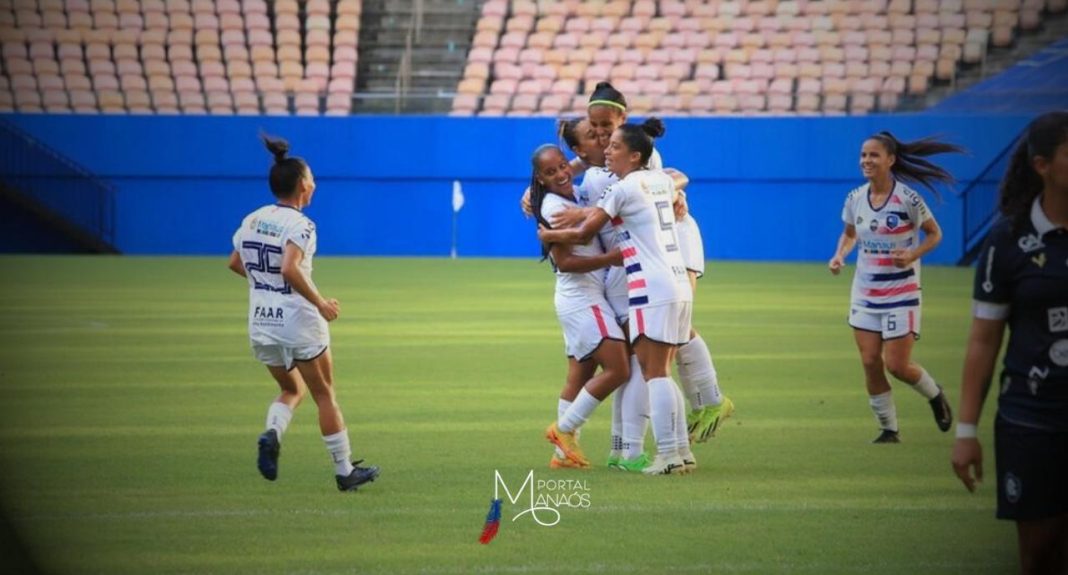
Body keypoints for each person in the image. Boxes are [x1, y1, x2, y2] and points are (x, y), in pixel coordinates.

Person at [539, 123, 693, 476]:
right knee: (660, 372)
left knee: (654, 373)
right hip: (677, 281)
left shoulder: (622, 189)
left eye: (615, 146)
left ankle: (667, 454)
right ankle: (681, 453)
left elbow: (583, 232)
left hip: (648, 286)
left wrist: (547, 234)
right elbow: (678, 179)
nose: (607, 149)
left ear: (634, 155)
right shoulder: (659, 180)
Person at [952, 111, 1068, 575]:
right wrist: (966, 432)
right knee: (1038, 554)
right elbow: (983, 342)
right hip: (1031, 419)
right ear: (1042, 165)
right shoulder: (1008, 242)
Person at [586, 82, 734, 445]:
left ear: (623, 118)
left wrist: (675, 193)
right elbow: (578, 163)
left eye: (608, 125)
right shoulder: (609, 153)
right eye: (595, 127)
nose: (602, 134)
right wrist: (535, 190)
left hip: (674, 241)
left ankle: (706, 405)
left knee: (670, 333)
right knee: (667, 335)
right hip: (656, 246)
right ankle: (687, 426)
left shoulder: (638, 153)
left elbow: (677, 176)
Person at [228, 134, 379, 492]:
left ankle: (272, 433)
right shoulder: (302, 225)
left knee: (289, 389)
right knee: (324, 394)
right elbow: (290, 268)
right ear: (301, 186)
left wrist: (265, 285)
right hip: (298, 321)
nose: (314, 184)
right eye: (310, 178)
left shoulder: (252, 219)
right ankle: (345, 471)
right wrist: (321, 303)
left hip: (261, 321)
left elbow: (235, 263)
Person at [828, 131, 962, 443]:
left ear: (891, 160)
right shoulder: (855, 199)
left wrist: (913, 254)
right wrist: (839, 255)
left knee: (897, 365)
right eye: (863, 155)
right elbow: (849, 234)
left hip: (901, 294)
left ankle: (935, 395)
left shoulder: (908, 199)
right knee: (870, 362)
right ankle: (889, 429)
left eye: (874, 155)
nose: (866, 161)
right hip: (864, 292)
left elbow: (934, 234)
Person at [529, 144, 630, 469]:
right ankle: (564, 430)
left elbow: (589, 161)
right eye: (550, 172)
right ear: (540, 179)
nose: (560, 173)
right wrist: (612, 259)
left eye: (562, 166)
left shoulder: (574, 195)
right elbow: (566, 262)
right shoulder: (555, 206)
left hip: (578, 297)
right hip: (583, 296)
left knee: (579, 374)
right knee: (619, 369)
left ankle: (563, 457)